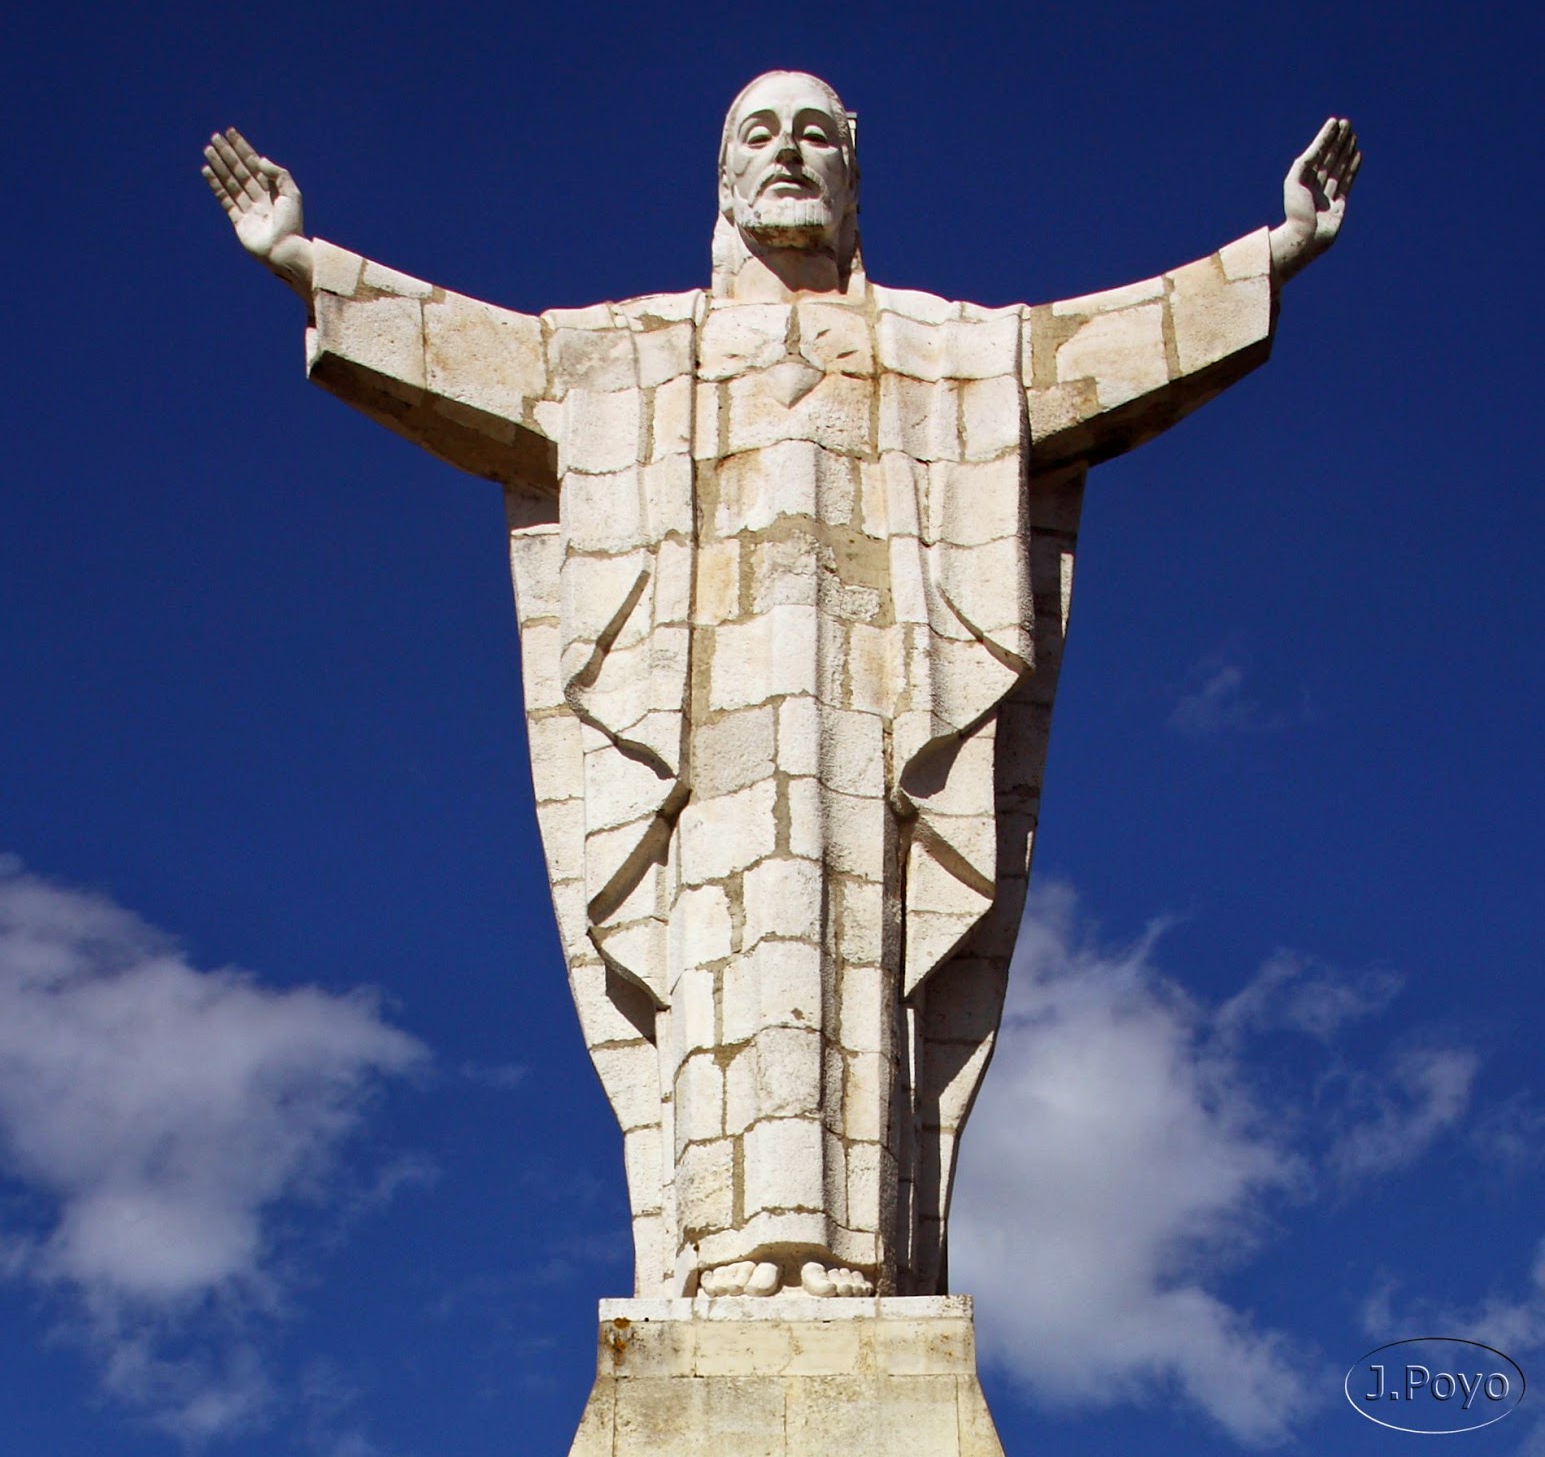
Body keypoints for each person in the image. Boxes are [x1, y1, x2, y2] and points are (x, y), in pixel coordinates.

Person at [204, 72, 1359, 1298]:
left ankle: (859, 1259)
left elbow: (1093, 351)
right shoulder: (635, 351)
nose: (789, 154)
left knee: (866, 957)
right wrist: (307, 263)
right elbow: (486, 357)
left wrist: (1269, 258)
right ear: (723, 177)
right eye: (759, 134)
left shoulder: (945, 348)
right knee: (718, 959)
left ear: (854, 172)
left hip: (878, 742)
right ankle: (716, 1255)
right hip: (696, 742)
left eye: (817, 135)